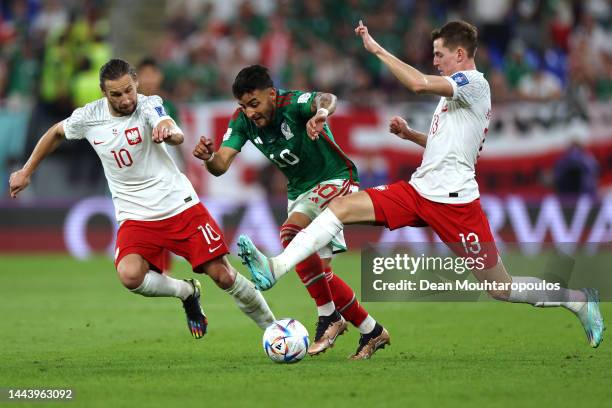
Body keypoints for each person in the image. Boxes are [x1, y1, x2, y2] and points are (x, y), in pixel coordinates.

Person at [237, 21, 605, 348]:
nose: (435, 61)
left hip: (455, 202)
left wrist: (377, 49)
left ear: (460, 54)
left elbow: (416, 83)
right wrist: (411, 134)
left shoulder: (473, 84)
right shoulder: (453, 99)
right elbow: (447, 148)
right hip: (418, 192)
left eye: (439, 54)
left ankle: (577, 300)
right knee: (340, 207)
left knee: (500, 287)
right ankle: (276, 267)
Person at [9, 58, 275, 339]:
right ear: (104, 93)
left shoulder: (149, 104)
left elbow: (173, 130)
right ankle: (186, 291)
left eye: (129, 90)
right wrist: (26, 171)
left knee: (223, 276)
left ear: (135, 83)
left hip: (178, 206)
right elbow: (56, 132)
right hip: (135, 215)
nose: (125, 100)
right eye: (116, 94)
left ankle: (273, 328)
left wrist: (168, 132)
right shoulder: (89, 116)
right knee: (130, 276)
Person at [192, 64, 390, 359]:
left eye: (255, 103)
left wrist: (321, 114)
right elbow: (220, 165)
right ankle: (372, 331)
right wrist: (209, 157)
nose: (249, 112)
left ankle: (329, 317)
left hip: (335, 177)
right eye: (243, 106)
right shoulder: (243, 121)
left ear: (271, 94)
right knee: (321, 274)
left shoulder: (292, 103)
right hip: (299, 191)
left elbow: (327, 98)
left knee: (290, 233)